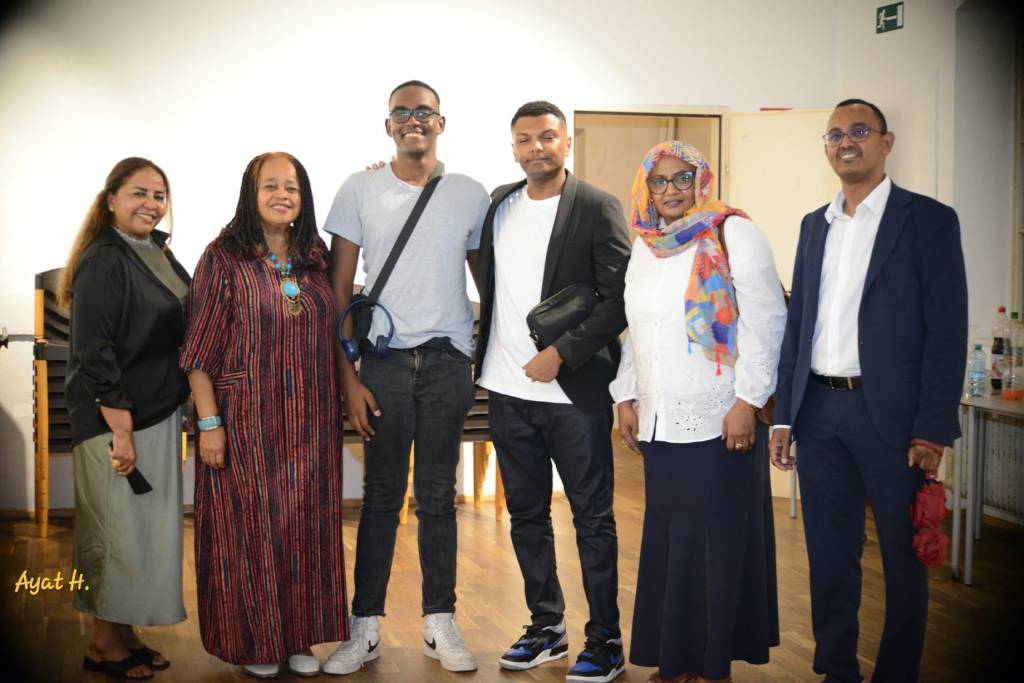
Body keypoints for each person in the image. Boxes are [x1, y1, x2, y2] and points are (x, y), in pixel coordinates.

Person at [769, 99, 968, 683]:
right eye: (834, 134)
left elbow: (947, 330)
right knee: (830, 558)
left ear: (887, 142)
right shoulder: (814, 225)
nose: (845, 142)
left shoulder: (928, 220)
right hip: (820, 411)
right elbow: (797, 326)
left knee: (904, 562)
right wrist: (785, 415)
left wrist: (933, 426)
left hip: (894, 419)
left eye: (859, 131)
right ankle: (836, 670)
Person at [322, 80, 490, 675]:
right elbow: (339, 293)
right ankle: (363, 626)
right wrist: (349, 379)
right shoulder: (360, 188)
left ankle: (438, 623)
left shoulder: (471, 194)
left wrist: (483, 359)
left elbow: (489, 282)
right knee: (381, 499)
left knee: (439, 499)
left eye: (425, 112)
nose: (413, 120)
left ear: (442, 122)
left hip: (447, 363)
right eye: (402, 112)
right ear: (387, 125)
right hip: (385, 365)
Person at [610, 141, 786, 683]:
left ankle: (713, 667)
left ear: (700, 179)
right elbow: (637, 332)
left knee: (718, 545)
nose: (670, 190)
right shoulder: (645, 246)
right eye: (659, 180)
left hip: (720, 420)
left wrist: (747, 400)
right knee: (673, 544)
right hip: (663, 420)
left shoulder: (733, 232)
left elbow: (768, 320)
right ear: (645, 186)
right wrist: (624, 395)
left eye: (681, 178)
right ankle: (678, 659)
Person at [474, 100, 631, 683]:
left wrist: (562, 352)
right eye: (524, 139)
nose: (535, 147)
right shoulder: (499, 204)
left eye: (546, 137)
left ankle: (605, 639)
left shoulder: (596, 206)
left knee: (593, 520)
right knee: (527, 516)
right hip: (504, 390)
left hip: (574, 396)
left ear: (567, 143)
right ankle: (547, 626)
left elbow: (619, 297)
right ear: (513, 147)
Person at [180, 152, 348, 678]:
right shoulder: (223, 256)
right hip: (246, 421)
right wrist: (209, 424)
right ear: (250, 195)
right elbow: (197, 352)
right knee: (248, 530)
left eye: (292, 186)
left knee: (306, 530)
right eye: (270, 185)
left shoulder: (314, 256)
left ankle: (296, 635)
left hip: (312, 420)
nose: (282, 194)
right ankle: (255, 640)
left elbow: (334, 330)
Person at [61, 157, 190, 680]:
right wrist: (120, 430)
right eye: (138, 193)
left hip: (155, 411)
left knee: (139, 532)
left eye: (159, 195)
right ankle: (100, 644)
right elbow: (95, 351)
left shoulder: (155, 251)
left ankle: (124, 633)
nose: (151, 204)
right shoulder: (104, 258)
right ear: (110, 198)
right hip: (116, 418)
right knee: (113, 530)